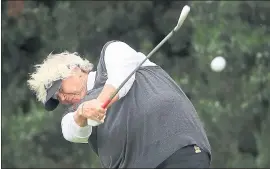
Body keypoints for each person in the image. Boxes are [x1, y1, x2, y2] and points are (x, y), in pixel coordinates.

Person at [27, 40, 211, 168]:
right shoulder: (76, 112)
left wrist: (99, 102)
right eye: (56, 98)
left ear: (75, 69)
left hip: (178, 150)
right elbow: (70, 131)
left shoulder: (112, 52)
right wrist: (82, 113)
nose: (62, 97)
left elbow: (121, 77)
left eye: (60, 88)